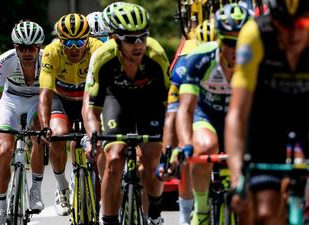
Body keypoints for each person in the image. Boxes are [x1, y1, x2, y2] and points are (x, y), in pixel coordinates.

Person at [83, 3, 170, 225]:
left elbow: (172, 104)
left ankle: (155, 213)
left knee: (152, 157)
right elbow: (90, 108)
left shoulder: (156, 55)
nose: (138, 44)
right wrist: (94, 139)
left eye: (143, 37)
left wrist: (170, 141)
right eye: (131, 39)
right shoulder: (103, 58)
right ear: (116, 39)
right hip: (116, 101)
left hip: (148, 102)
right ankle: (108, 219)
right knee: (113, 157)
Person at [225, 0, 309, 224]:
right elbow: (237, 113)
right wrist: (237, 178)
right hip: (267, 117)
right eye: (282, 25)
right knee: (264, 212)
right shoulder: (255, 33)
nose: (292, 33)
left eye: (301, 23)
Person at [173, 4, 250, 225]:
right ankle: (203, 209)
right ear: (218, 39)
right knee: (205, 147)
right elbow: (185, 109)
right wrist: (186, 144)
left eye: (242, 42)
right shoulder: (200, 58)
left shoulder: (259, 59)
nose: (236, 49)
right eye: (229, 42)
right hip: (206, 115)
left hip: (240, 117)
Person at [38, 13, 103, 216]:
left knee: (99, 141)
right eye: (68, 42)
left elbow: (105, 90)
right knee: (57, 135)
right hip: (62, 99)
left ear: (88, 38)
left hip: (86, 99)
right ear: (60, 40)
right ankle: (62, 187)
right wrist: (44, 126)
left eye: (79, 41)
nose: (74, 48)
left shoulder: (98, 50)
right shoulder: (51, 52)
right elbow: (45, 94)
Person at [0, 20, 45, 225]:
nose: (27, 52)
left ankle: (35, 190)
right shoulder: (5, 61)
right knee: (3, 150)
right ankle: (1, 208)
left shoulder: (47, 61)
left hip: (37, 101)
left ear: (39, 47)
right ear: (15, 47)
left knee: (39, 135)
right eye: (22, 47)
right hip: (10, 101)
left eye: (32, 47)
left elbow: (50, 96)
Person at [159, 18, 217, 225]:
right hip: (194, 104)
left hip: (221, 105)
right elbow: (174, 115)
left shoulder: (238, 58)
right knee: (187, 149)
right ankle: (186, 212)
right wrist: (170, 153)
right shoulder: (186, 66)